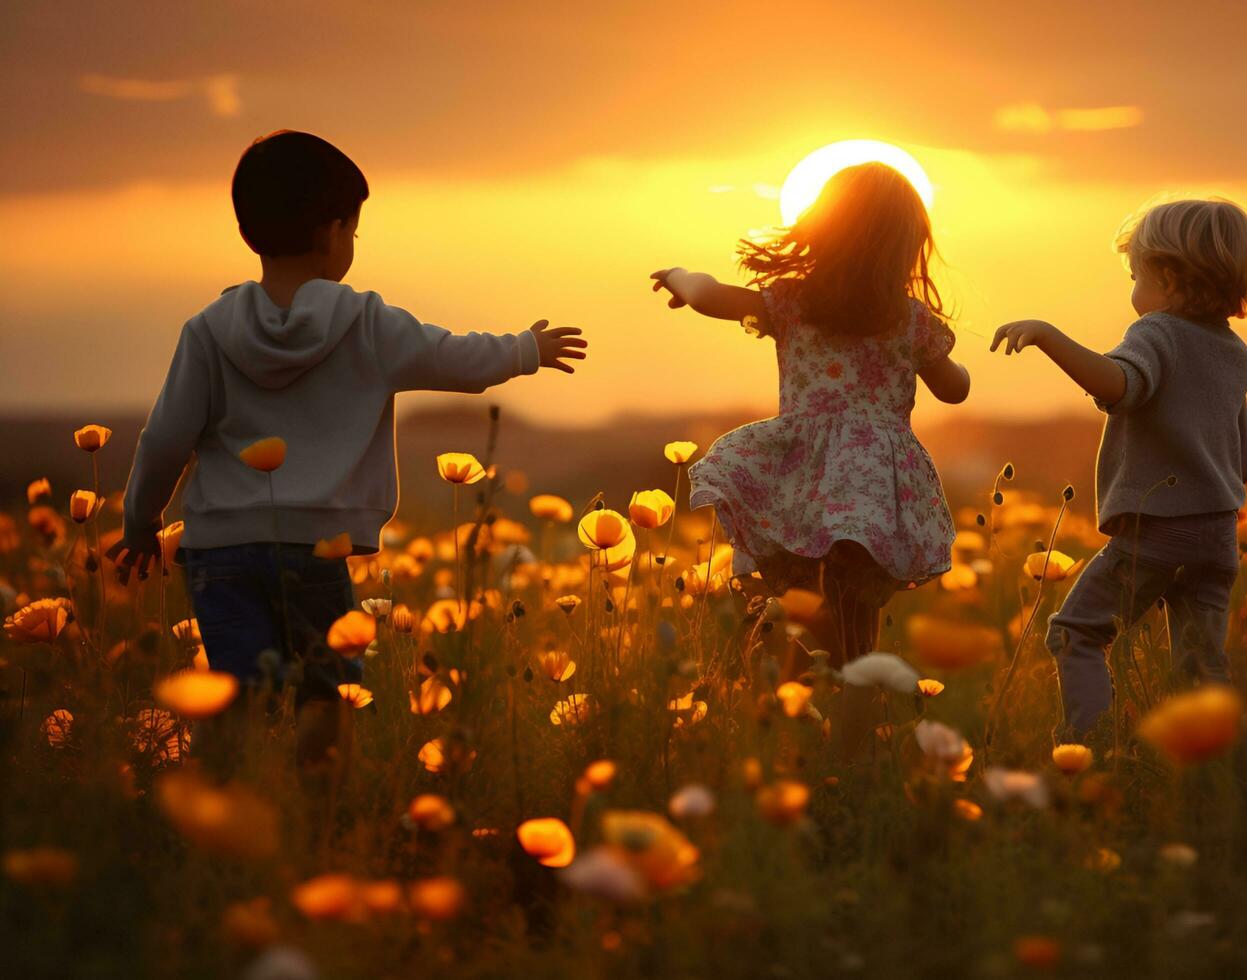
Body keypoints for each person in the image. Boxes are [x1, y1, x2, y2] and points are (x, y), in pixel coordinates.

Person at [105, 130, 587, 776]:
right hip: (315, 547)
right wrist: (525, 349)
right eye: (355, 230)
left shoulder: (208, 331)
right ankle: (319, 811)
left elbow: (164, 438)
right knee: (326, 691)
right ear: (333, 233)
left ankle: (225, 808)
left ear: (252, 231)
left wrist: (141, 521)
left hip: (218, 551)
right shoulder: (364, 322)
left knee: (236, 697)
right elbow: (452, 358)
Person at [649, 162, 969, 756]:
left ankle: (784, 726)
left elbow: (707, 295)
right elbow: (956, 390)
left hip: (803, 475)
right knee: (856, 612)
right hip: (874, 481)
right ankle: (852, 739)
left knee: (800, 603)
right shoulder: (910, 318)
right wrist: (942, 357)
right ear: (909, 246)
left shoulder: (792, 302)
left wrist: (677, 275)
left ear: (822, 230)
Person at [991, 197, 1247, 741]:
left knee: (1077, 633)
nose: (1133, 289)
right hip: (1217, 536)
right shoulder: (1234, 352)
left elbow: (1119, 386)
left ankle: (1091, 748)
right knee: (1200, 662)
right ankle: (1212, 765)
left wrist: (1048, 336)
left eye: (1135, 275)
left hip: (1157, 533)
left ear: (1166, 277)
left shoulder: (1157, 332)